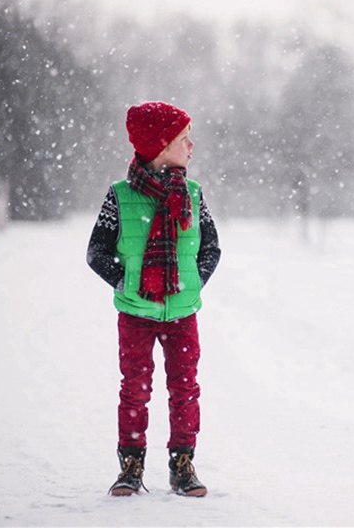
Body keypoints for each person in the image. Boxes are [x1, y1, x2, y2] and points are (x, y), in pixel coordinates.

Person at [87, 101, 221, 497]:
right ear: (161, 146)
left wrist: (192, 284)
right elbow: (97, 252)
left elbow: (211, 248)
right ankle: (131, 465)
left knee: (185, 389)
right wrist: (129, 284)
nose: (191, 146)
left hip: (183, 314)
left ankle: (183, 465)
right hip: (135, 314)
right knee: (135, 389)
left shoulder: (193, 195)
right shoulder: (120, 196)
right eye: (183, 139)